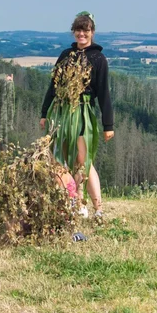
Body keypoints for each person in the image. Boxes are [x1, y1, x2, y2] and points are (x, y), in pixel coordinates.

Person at [40, 11, 114, 218]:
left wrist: (108, 125)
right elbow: (53, 86)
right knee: (67, 159)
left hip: (82, 113)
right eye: (78, 30)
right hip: (62, 112)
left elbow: (104, 93)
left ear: (92, 32)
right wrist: (44, 112)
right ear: (74, 32)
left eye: (86, 30)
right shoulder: (66, 55)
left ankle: (97, 207)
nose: (82, 34)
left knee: (83, 159)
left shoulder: (98, 58)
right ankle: (78, 203)